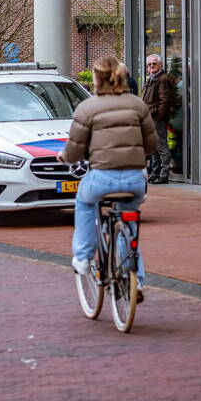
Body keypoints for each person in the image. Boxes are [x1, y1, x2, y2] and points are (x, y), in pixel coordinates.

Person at [57, 56, 158, 299]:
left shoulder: (88, 107)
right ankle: (137, 282)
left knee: (83, 201)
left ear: (96, 78)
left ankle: (82, 257)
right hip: (135, 180)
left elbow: (75, 149)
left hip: (101, 178)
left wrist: (66, 157)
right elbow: (152, 144)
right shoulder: (137, 104)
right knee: (129, 225)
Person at [140, 54, 174, 184]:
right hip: (149, 118)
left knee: (162, 147)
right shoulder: (152, 79)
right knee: (154, 148)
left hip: (155, 119)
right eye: (149, 64)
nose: (151, 66)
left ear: (160, 65)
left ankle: (164, 175)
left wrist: (159, 117)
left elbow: (164, 101)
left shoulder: (162, 79)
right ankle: (154, 174)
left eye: (154, 63)